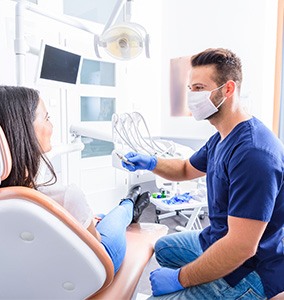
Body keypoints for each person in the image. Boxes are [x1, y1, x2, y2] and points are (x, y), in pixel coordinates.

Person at [122, 48, 284, 299]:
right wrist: (151, 162)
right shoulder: (221, 138)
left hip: (249, 270)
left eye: (199, 88)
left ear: (227, 90)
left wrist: (180, 278)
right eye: (190, 89)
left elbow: (241, 247)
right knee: (163, 248)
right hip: (217, 238)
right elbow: (186, 168)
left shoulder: (254, 154)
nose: (191, 97)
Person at [0, 85, 150, 275]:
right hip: (88, 276)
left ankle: (111, 213)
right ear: (25, 130)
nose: (51, 126)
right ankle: (129, 204)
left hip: (24, 280)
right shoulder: (65, 196)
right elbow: (96, 247)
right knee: (116, 220)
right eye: (46, 118)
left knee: (101, 218)